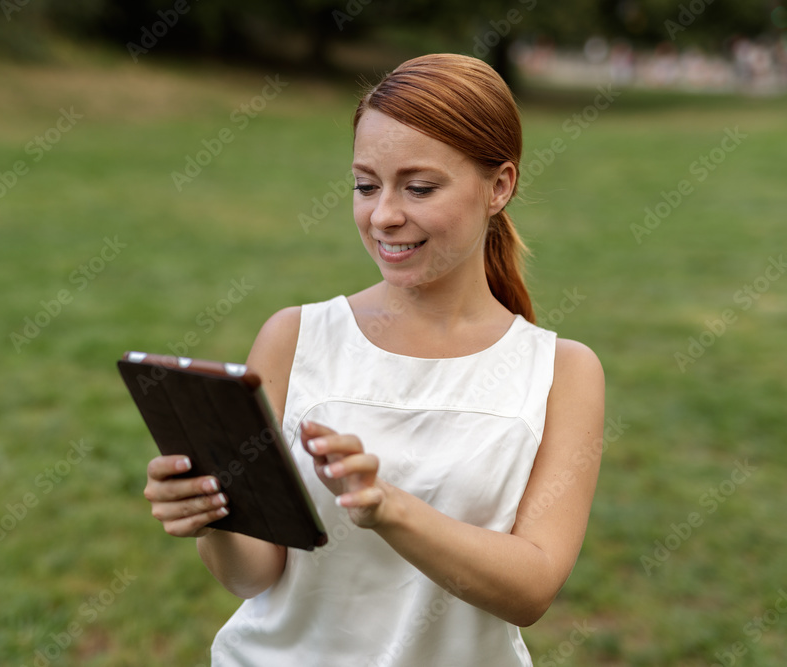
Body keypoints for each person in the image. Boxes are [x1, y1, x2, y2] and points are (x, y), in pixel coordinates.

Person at [143, 53, 605, 666]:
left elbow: (531, 589)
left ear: (499, 186)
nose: (383, 215)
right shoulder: (294, 337)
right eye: (366, 185)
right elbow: (254, 576)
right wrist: (213, 516)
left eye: (419, 187)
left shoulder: (562, 373)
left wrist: (388, 506)